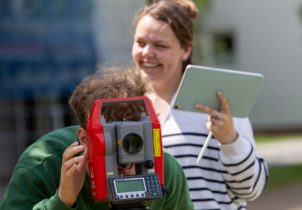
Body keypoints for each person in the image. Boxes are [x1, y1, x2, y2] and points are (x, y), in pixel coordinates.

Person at [132, 1, 268, 209]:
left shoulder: (219, 103)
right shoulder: (127, 108)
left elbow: (252, 189)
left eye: (160, 46)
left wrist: (230, 141)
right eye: (140, 42)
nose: (147, 53)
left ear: (185, 51)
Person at [0, 65, 194, 210]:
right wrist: (61, 201)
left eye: (134, 140)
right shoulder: (41, 165)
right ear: (85, 139)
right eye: (112, 141)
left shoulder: (164, 170)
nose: (126, 154)